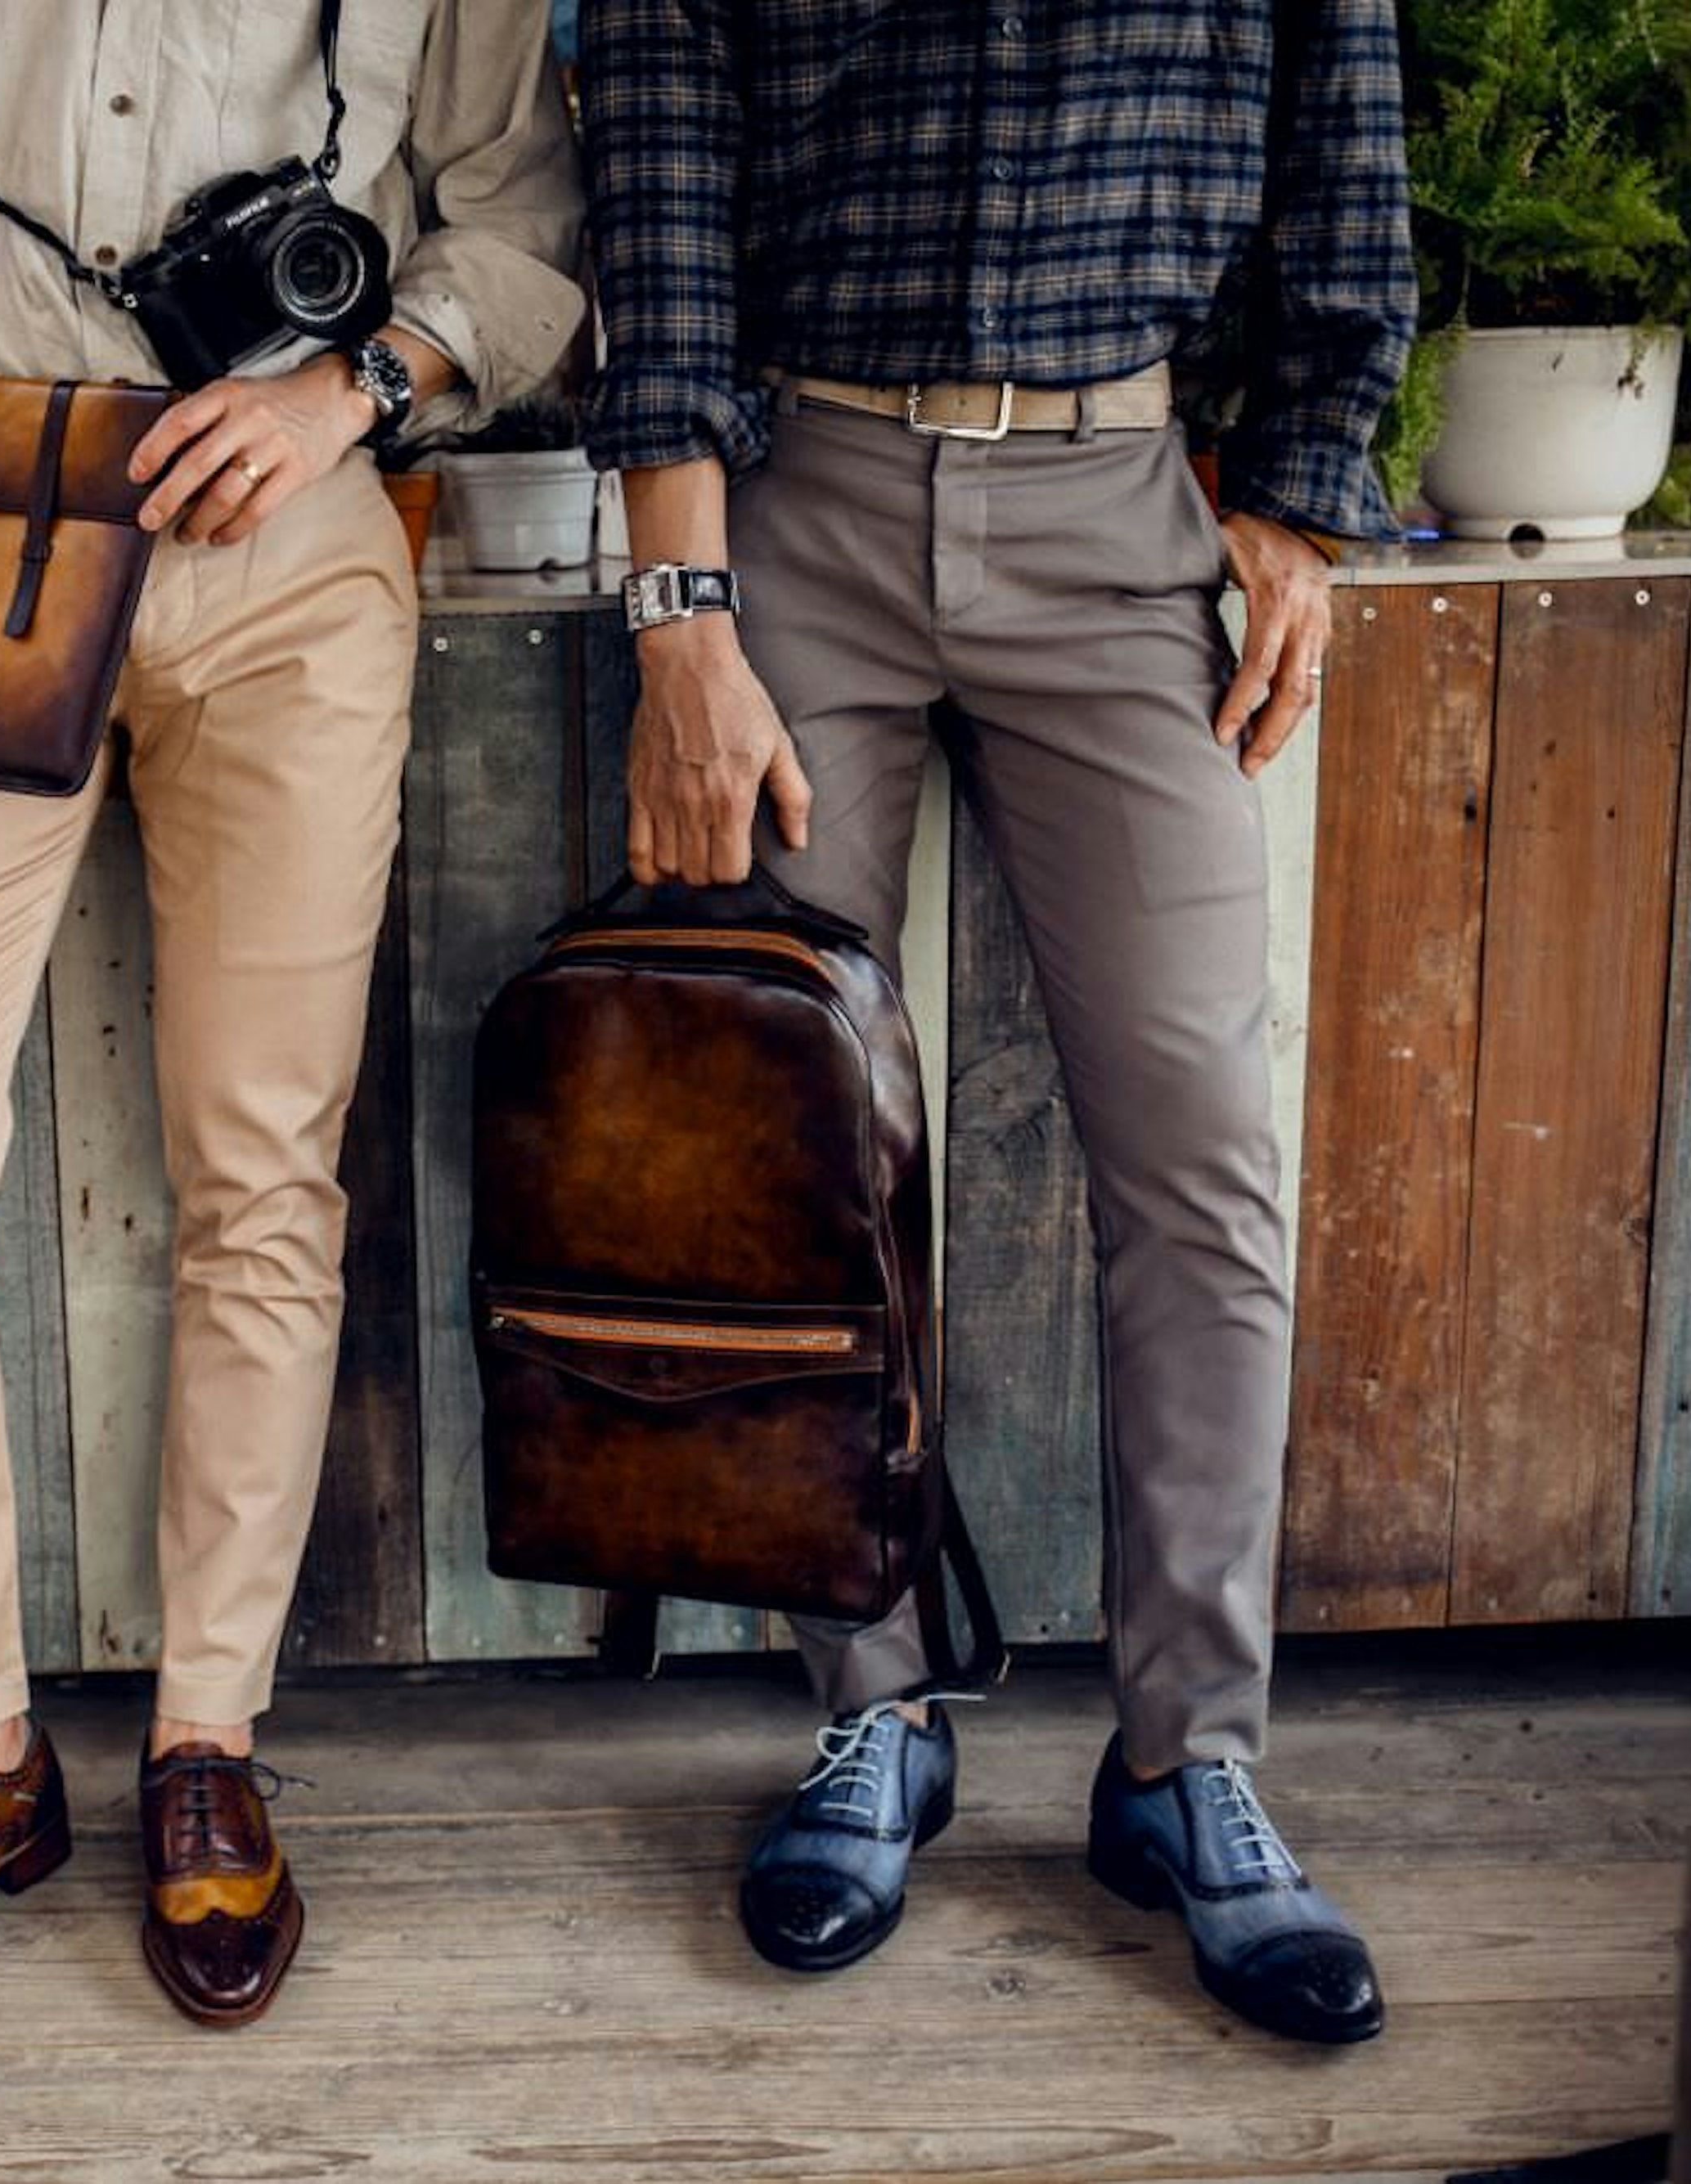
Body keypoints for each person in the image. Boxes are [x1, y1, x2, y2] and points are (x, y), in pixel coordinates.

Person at [0, 0, 582, 2031]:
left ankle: (208, 1740)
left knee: (261, 1163)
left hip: (292, 545)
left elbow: (520, 225)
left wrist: (348, 392)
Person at [578, 0, 1414, 2043]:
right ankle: (870, 1718)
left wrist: (1299, 496)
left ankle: (1190, 1763)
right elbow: (663, 169)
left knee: (1205, 1151)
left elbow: (1347, 142)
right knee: (785, 1149)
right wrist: (678, 611)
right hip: (799, 509)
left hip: (1123, 512)